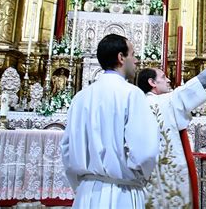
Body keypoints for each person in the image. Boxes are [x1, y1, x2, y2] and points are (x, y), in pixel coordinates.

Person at [61, 34, 159, 208]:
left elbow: (67, 150)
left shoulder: (80, 97)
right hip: (123, 193)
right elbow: (146, 152)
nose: (136, 60)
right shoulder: (132, 93)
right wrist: (142, 177)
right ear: (121, 58)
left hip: (87, 194)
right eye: (133, 55)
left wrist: (83, 185)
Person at [137, 51, 206, 208]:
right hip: (169, 175)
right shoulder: (164, 102)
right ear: (152, 82)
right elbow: (196, 85)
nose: (168, 80)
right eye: (163, 77)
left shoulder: (137, 103)